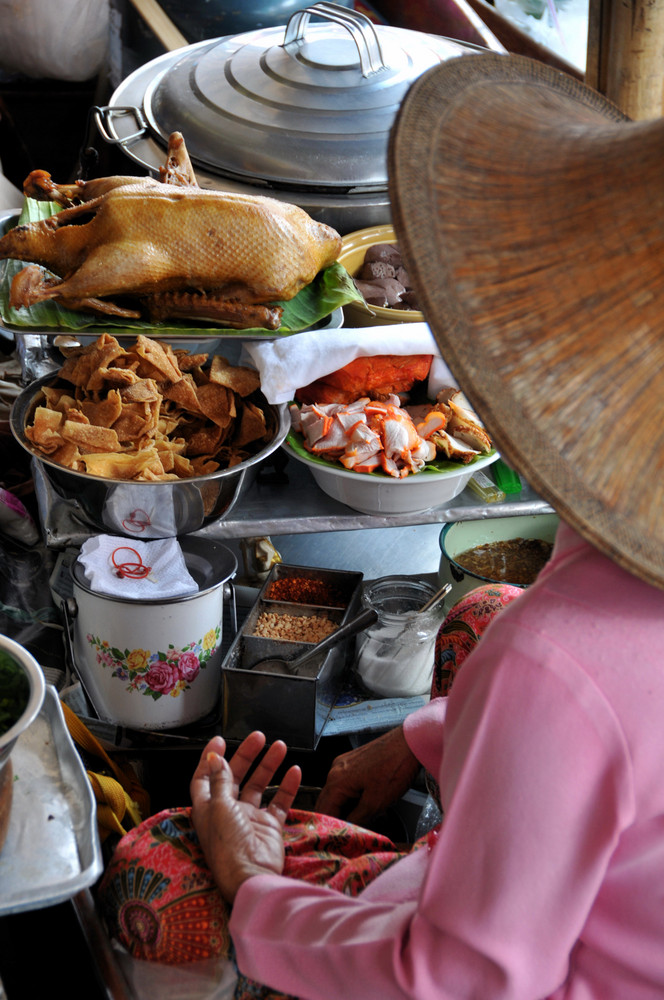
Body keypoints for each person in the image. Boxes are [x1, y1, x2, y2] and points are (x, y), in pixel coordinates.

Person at [100, 52, 664, 999]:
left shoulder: (554, 667)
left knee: (162, 859)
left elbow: (456, 982)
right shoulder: (627, 541)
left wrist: (252, 882)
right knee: (483, 607)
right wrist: (431, 735)